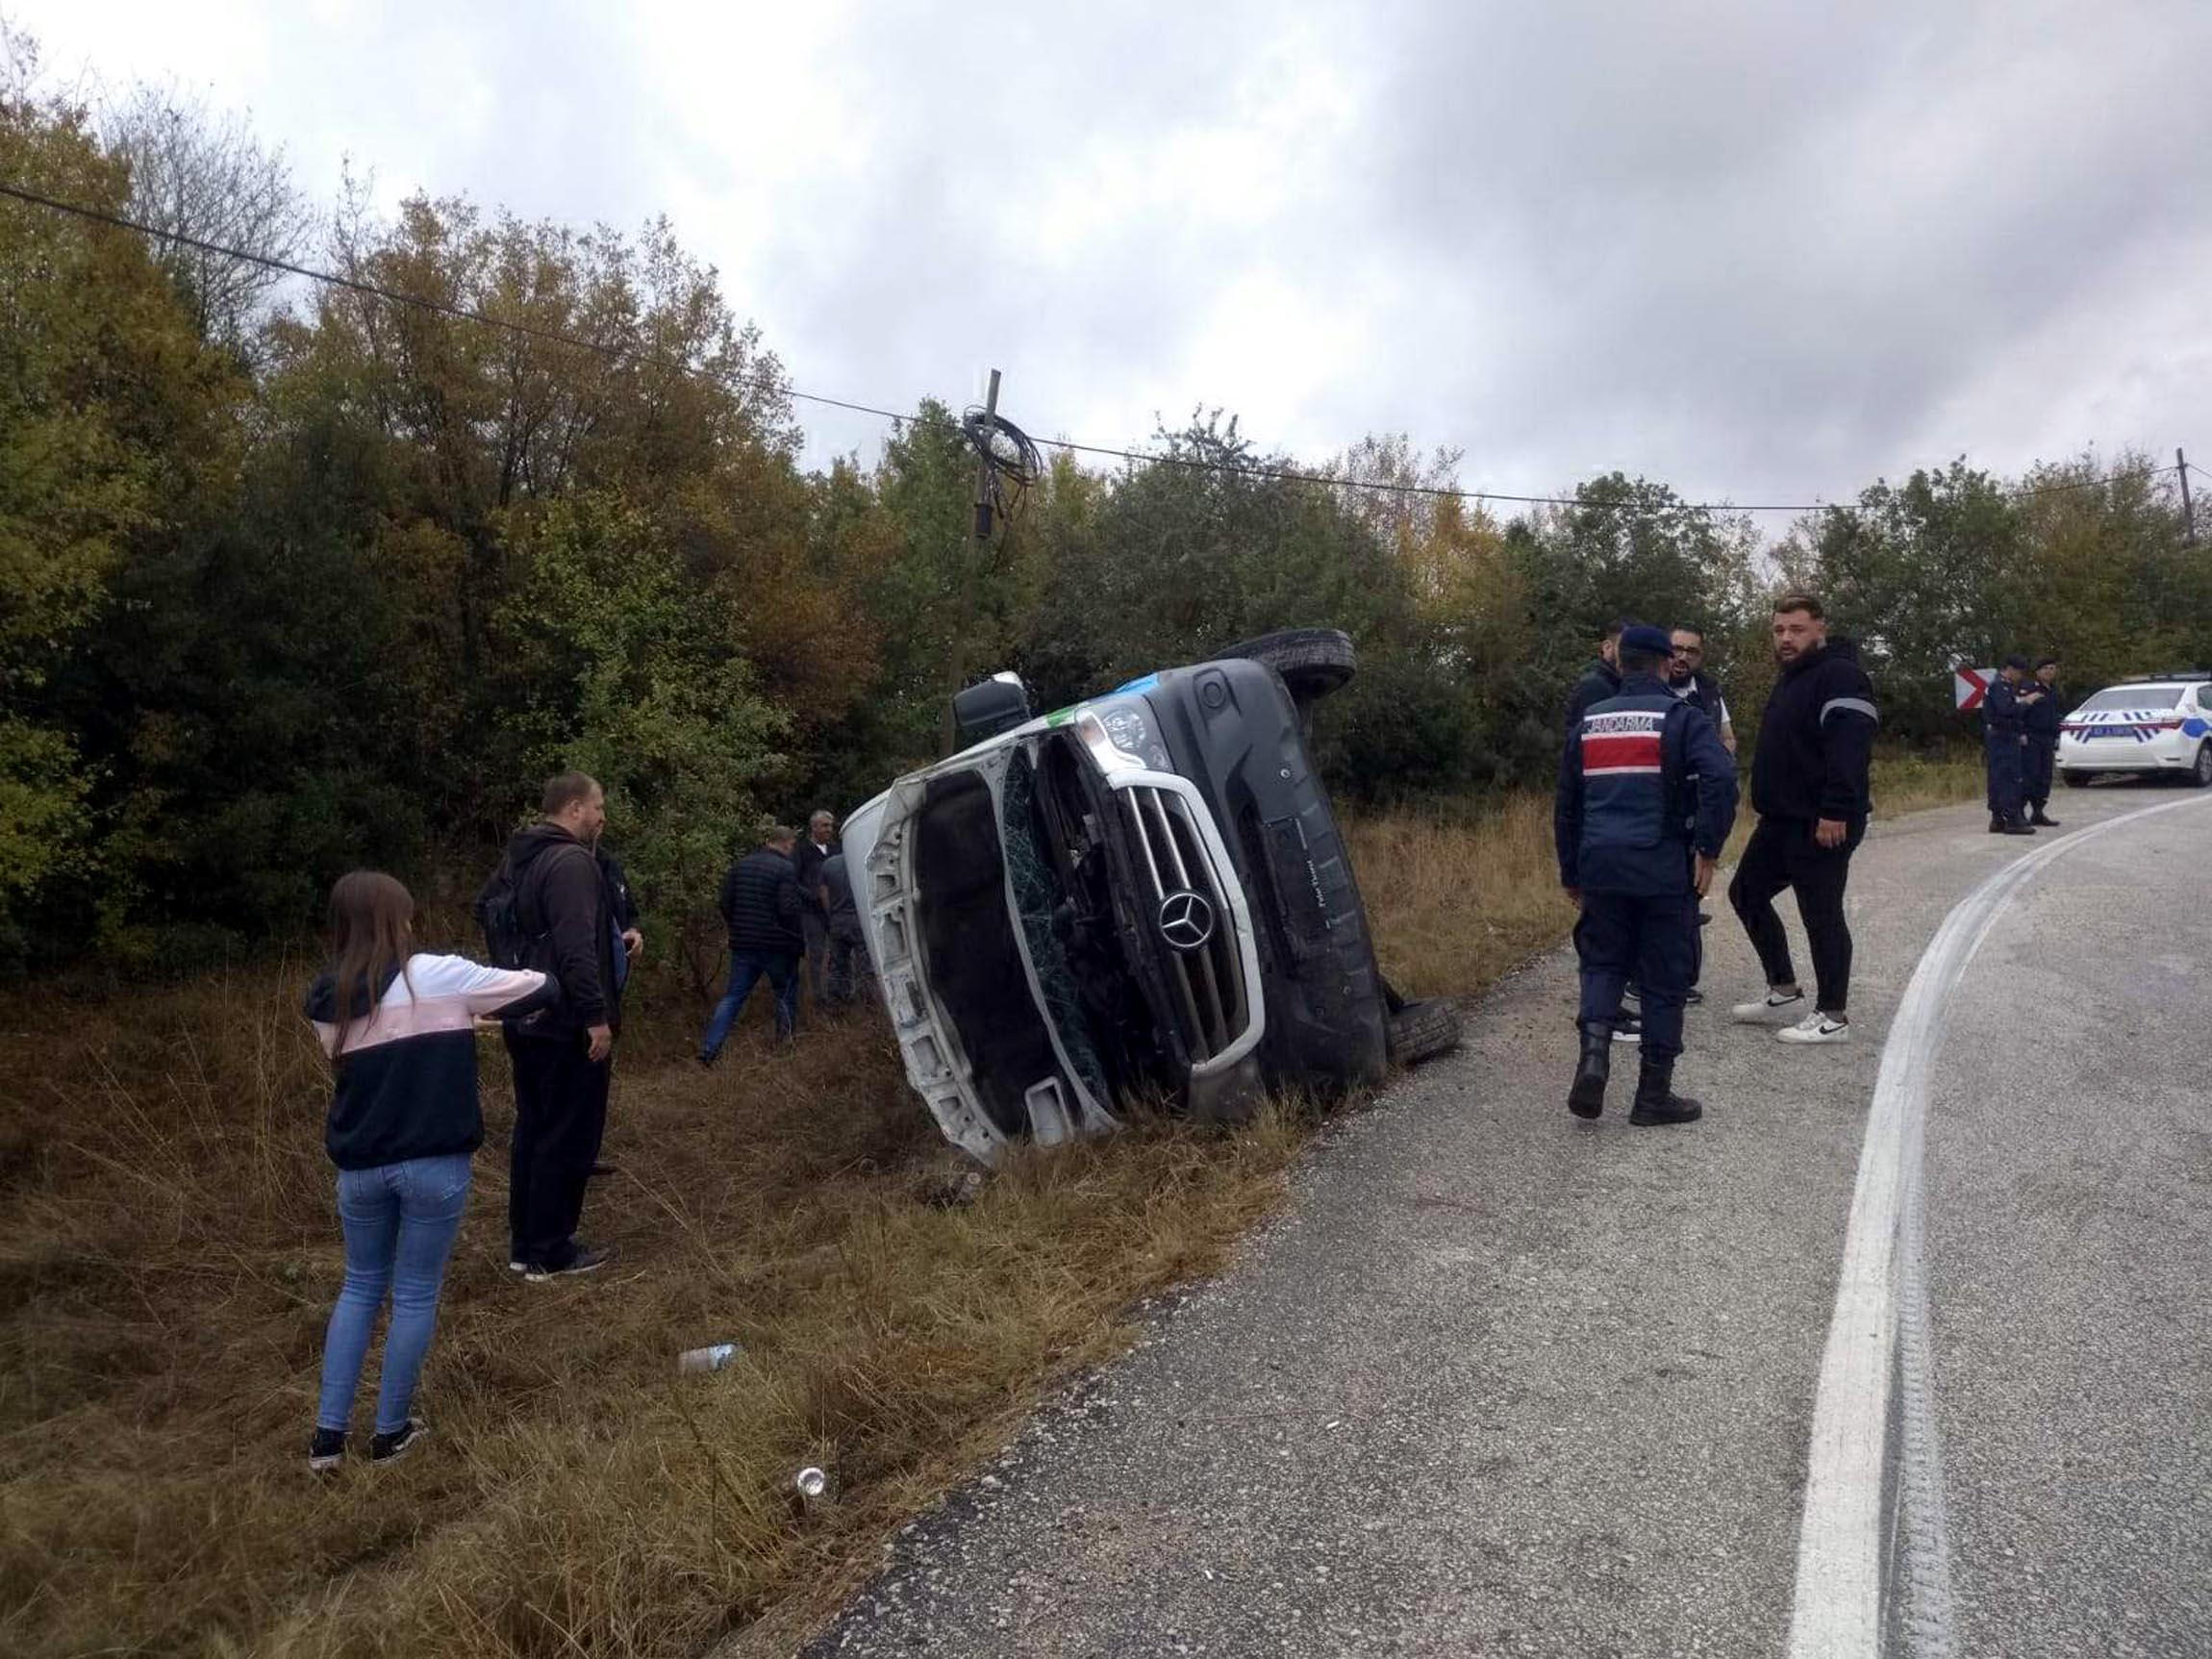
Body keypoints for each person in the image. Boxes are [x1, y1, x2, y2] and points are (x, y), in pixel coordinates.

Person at [304, 871, 554, 1471]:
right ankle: (390, 1433)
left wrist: (456, 1022)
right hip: (431, 1165)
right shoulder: (439, 975)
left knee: (360, 1285)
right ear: (397, 920)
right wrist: (464, 1014)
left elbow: (386, 1051)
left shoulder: (326, 1000)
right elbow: (538, 986)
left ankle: (327, 1440)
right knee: (414, 1292)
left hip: (359, 1169)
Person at [1555, 624, 1737, 1124]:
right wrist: (1708, 850)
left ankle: (1593, 1061)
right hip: (1661, 868)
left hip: (1600, 866)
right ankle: (1652, 1097)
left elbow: (1567, 805)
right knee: (1663, 978)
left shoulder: (1589, 722)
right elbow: (1721, 777)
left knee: (1603, 964)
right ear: (1662, 665)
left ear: (1620, 663)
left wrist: (1571, 870)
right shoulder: (1681, 717)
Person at [1727, 595, 1878, 1043]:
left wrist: (1835, 809)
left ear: (1819, 630)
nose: (1786, 638)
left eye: (1796, 629)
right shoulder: (1792, 678)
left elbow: (1850, 747)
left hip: (1823, 821)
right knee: (1745, 893)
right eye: (1779, 630)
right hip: (1780, 820)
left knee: (1821, 913)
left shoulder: (1841, 675)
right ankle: (1783, 987)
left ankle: (1833, 1015)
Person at [493, 771, 620, 1281]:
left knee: (535, 1130)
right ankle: (552, 1250)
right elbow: (576, 948)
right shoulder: (569, 862)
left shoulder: (519, 860)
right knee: (568, 1135)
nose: (602, 817)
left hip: (527, 1013)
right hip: (566, 1022)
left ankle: (526, 1245)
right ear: (573, 809)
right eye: (597, 807)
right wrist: (595, 1016)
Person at [699, 826, 805, 1063]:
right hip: (778, 944)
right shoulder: (786, 868)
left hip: (744, 944)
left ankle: (709, 1049)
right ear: (787, 843)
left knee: (733, 996)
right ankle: (785, 1046)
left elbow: (725, 901)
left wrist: (738, 927)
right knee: (784, 994)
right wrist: (796, 937)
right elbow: (787, 910)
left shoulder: (741, 865)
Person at [589, 838, 642, 1181]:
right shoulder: (557, 867)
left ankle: (587, 1153)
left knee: (597, 1079)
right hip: (578, 997)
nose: (602, 818)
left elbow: (628, 909)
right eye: (597, 809)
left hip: (609, 988)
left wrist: (634, 932)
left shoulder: (610, 864)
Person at [1983, 657, 2035, 836]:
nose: (2020, 677)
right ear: (2010, 669)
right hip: (2002, 737)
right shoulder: (2000, 686)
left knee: (1999, 776)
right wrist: (2025, 703)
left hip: (2003, 735)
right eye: (2019, 672)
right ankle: (2012, 818)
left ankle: (1998, 818)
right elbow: (2006, 710)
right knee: (2008, 777)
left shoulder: (2002, 686)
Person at [792, 809, 838, 1009]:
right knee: (817, 953)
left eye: (831, 825)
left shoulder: (837, 849)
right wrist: (811, 896)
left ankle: (839, 993)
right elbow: (792, 880)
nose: (830, 829)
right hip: (811, 912)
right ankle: (818, 998)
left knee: (839, 952)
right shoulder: (801, 851)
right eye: (825, 826)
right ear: (814, 827)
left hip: (836, 910)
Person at [1666, 627, 1737, 754]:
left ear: (1700, 656)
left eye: (1691, 652)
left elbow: (1728, 738)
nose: (1683, 657)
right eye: (1677, 649)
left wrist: (1719, 765)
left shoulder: (1710, 692)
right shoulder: (1648, 691)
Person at [818, 847, 867, 1006]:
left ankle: (837, 1004)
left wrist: (831, 915)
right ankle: (869, 1004)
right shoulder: (864, 861)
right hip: (861, 920)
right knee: (866, 964)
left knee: (837, 966)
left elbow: (823, 893)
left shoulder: (829, 864)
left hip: (838, 920)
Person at [1564, 619, 1631, 727]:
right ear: (1607, 647)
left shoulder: (1624, 684)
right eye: (1626, 647)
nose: (1631, 654)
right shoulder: (1593, 686)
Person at [2022, 657, 2063, 827]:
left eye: (2052, 668)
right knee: (2030, 775)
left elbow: (2054, 715)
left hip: (2047, 738)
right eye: (2045, 668)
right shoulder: (2030, 689)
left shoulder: (2052, 690)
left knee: (2045, 777)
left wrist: (2057, 736)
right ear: (2037, 672)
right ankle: (2020, 812)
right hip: (2032, 738)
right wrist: (2022, 733)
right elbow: (2020, 712)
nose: (2049, 671)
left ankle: (2038, 811)